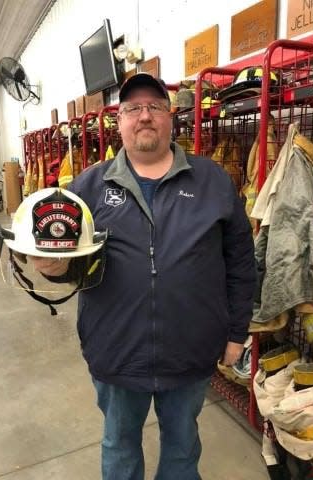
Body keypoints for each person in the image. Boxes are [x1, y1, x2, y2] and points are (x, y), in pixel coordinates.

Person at [32, 73, 256, 480]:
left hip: (190, 351)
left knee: (183, 446)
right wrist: (57, 268)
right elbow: (72, 264)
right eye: (133, 108)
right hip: (116, 351)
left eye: (155, 106)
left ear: (172, 119)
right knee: (119, 446)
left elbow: (241, 261)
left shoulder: (213, 182)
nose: (145, 116)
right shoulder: (89, 187)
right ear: (119, 121)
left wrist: (237, 333)